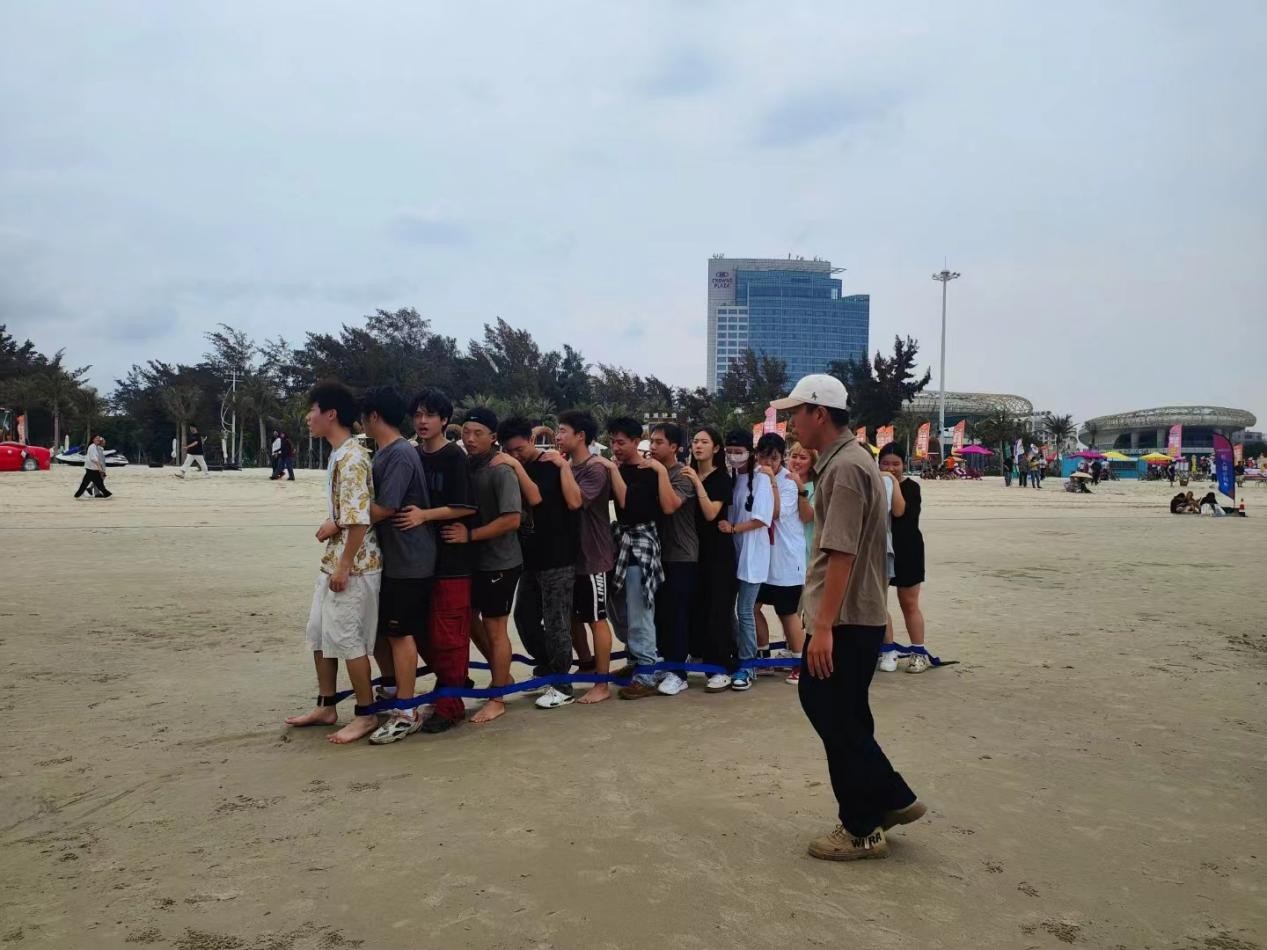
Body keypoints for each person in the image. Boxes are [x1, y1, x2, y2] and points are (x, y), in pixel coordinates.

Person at [772, 374, 923, 861]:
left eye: (795, 413)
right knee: (847, 715)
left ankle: (871, 817)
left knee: (829, 709)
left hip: (846, 617)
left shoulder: (846, 468)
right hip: (853, 613)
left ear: (818, 413)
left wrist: (822, 628)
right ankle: (875, 809)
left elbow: (841, 552)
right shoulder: (845, 463)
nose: (791, 424)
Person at [285, 381, 383, 745]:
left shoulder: (353, 457)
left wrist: (344, 566)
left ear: (331, 414)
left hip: (354, 564)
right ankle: (326, 705)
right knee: (319, 633)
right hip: (336, 559)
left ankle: (366, 713)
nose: (307, 417)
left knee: (347, 638)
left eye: (312, 411)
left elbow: (359, 519)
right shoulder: (339, 453)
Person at [393, 388, 478, 733]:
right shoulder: (411, 454)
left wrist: (425, 516)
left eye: (429, 415)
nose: (422, 421)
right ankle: (450, 685)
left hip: (451, 562)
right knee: (423, 632)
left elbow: (465, 506)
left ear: (444, 420)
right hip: (417, 562)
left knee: (449, 635)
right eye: (417, 414)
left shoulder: (454, 457)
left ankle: (450, 705)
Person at [357, 386, 436, 745]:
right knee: (382, 632)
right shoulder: (385, 452)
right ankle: (392, 692)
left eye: (363, 417)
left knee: (401, 633)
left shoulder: (400, 454)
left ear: (374, 416)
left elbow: (386, 507)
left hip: (410, 560)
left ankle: (407, 710)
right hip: (392, 559)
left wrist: (343, 521)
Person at [498, 416, 584, 711]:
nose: (515, 455)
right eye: (509, 450)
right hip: (529, 558)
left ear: (531, 440)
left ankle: (562, 684)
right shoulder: (511, 466)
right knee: (524, 617)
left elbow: (542, 499)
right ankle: (547, 666)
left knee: (556, 621)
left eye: (519, 449)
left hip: (558, 556)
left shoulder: (551, 465)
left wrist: (516, 465)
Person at [448, 407, 524, 724]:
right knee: (469, 620)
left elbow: (512, 519)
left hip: (501, 561)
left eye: (478, 433)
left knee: (496, 628)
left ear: (493, 437)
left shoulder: (500, 470)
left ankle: (498, 697)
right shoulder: (467, 465)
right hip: (474, 561)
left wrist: (470, 535)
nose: (470, 438)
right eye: (466, 432)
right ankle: (501, 674)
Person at [556, 409, 618, 704]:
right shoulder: (568, 465)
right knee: (571, 616)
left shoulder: (595, 468)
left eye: (563, 430)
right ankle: (586, 664)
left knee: (597, 618)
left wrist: (562, 466)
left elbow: (574, 501)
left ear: (580, 436)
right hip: (570, 555)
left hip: (593, 555)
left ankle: (602, 683)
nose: (558, 436)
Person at [605, 416, 666, 701]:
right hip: (620, 543)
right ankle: (634, 658)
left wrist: (612, 470)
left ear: (635, 441)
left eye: (621, 442)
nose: (615, 448)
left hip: (641, 544)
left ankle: (647, 672)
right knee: (619, 610)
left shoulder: (647, 471)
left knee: (640, 610)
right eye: (612, 442)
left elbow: (627, 503)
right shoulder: (619, 468)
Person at [717, 429, 776, 693]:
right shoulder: (731, 478)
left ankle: (748, 664)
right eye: (729, 451)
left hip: (752, 554)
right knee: (729, 609)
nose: (733, 456)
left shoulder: (761, 478)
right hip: (733, 553)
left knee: (745, 610)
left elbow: (762, 518)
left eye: (738, 451)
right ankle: (734, 653)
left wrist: (733, 528)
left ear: (750, 452)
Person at [648, 422, 698, 697]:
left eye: (659, 442)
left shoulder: (683, 475)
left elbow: (669, 506)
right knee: (660, 614)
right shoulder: (651, 471)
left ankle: (679, 673)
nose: (653, 447)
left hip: (681, 555)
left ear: (675, 447)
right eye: (651, 441)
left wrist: (658, 472)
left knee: (677, 614)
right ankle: (666, 662)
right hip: (657, 553)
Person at [687, 427, 738, 692]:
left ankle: (722, 667)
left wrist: (697, 483)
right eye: (695, 441)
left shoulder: (721, 478)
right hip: (693, 550)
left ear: (716, 448)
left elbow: (710, 513)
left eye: (704, 442)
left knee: (719, 609)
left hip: (718, 553)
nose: (698, 446)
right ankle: (699, 655)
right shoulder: (687, 473)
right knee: (698, 606)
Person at [753, 433, 807, 682]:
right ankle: (763, 656)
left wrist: (772, 480)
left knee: (787, 613)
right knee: (751, 607)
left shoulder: (788, 481)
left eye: (773, 458)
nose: (768, 463)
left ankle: (799, 663)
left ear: (781, 458)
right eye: (763, 457)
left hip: (786, 559)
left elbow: (774, 512)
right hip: (763, 559)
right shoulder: (756, 475)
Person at [878, 444, 930, 674]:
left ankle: (918, 652)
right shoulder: (873, 484)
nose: (890, 468)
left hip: (908, 550)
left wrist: (892, 481)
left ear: (903, 464)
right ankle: (888, 649)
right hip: (880, 549)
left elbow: (899, 512)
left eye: (895, 464)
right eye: (885, 463)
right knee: (879, 603)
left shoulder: (912, 487)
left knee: (908, 603)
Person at [73, 435, 112, 499]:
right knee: (97, 484)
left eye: (99, 438)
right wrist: (100, 468)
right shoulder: (92, 447)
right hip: (91, 468)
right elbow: (93, 459)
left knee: (89, 483)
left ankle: (78, 495)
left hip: (93, 468)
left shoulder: (97, 447)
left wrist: (101, 440)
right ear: (93, 440)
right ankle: (107, 495)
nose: (98, 439)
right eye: (96, 438)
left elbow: (102, 444)